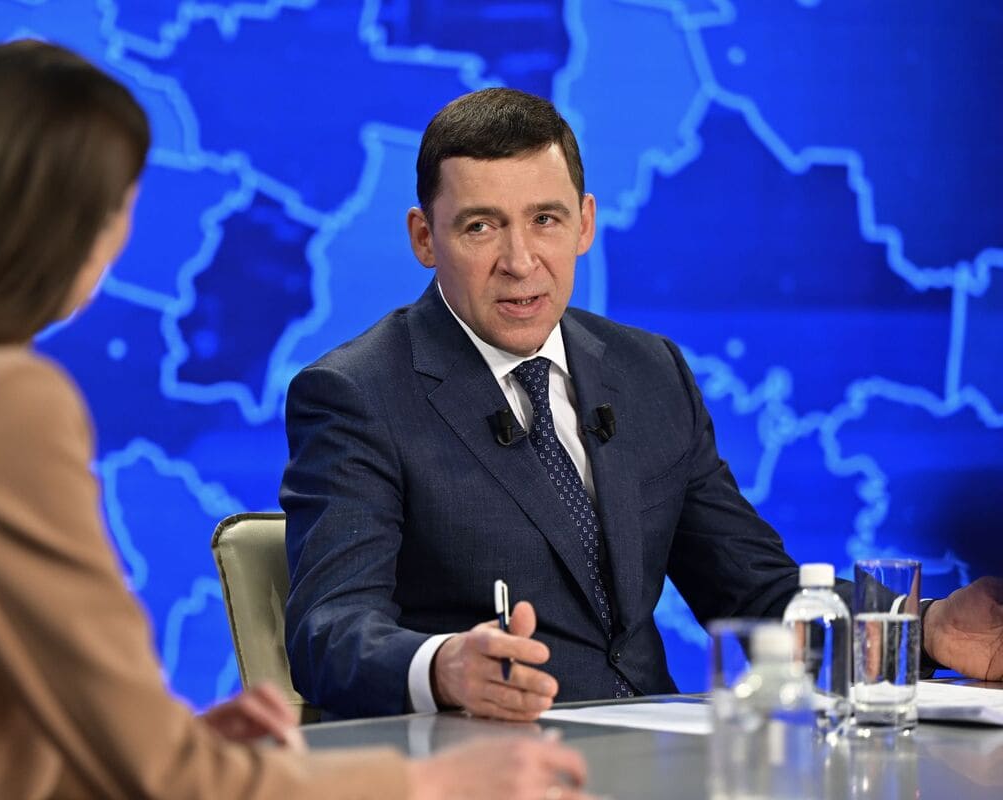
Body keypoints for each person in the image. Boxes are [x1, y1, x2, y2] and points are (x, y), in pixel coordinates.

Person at [0, 43, 592, 799]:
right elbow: (168, 782)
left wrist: (172, 746)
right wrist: (425, 786)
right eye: (123, 206)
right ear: (73, 222)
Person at [280, 87, 1003, 721]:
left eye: (545, 219)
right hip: (493, 760)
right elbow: (329, 630)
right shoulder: (357, 394)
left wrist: (926, 627)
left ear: (585, 223)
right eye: (480, 226)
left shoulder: (650, 372)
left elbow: (754, 591)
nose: (521, 261)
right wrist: (442, 667)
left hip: (659, 754)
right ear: (423, 237)